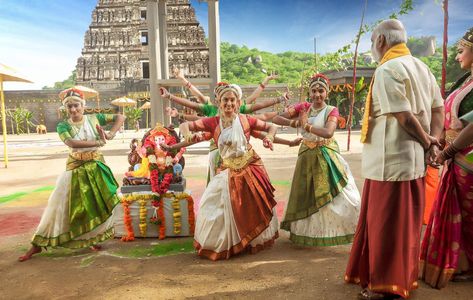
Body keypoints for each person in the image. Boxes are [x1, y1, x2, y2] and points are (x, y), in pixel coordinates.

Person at [344, 19, 444, 299]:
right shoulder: (423, 68)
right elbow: (438, 112)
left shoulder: (388, 69)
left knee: (385, 225)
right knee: (404, 224)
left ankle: (383, 285)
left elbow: (403, 116)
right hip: (410, 161)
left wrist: (428, 143)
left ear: (380, 41)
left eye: (372, 42)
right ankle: (398, 278)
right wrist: (432, 143)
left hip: (390, 162)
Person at [166, 83, 279, 260]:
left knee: (252, 205)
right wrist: (187, 135)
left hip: (250, 167)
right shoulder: (213, 122)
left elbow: (271, 127)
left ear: (238, 101)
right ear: (219, 101)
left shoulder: (246, 119)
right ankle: (223, 242)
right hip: (228, 169)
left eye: (232, 100)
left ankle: (249, 241)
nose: (229, 103)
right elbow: (186, 126)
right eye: (225, 100)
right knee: (214, 204)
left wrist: (270, 138)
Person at [18, 88, 125, 262]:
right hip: (75, 168)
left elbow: (121, 117)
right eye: (69, 107)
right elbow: (71, 142)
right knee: (59, 206)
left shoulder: (94, 118)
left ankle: (92, 238)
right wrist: (99, 141)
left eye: (76, 105)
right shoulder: (63, 125)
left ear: (83, 105)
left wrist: (111, 134)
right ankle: (37, 244)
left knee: (96, 204)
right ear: (65, 109)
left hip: (96, 167)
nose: (73, 110)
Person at [272, 74, 361, 246]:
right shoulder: (303, 107)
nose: (317, 95)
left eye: (321, 91)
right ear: (309, 93)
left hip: (326, 155)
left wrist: (307, 126)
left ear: (326, 93)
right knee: (307, 193)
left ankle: (338, 228)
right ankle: (311, 232)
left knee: (338, 194)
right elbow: (276, 118)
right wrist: (295, 123)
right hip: (306, 155)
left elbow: (328, 132)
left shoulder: (331, 110)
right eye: (313, 91)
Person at [420, 27, 473, 288]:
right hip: (454, 155)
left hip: (467, 158)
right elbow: (448, 116)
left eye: (461, 50)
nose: (456, 57)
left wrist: (447, 152)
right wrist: (437, 143)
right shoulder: (464, 81)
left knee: (470, 214)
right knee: (461, 214)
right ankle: (461, 264)